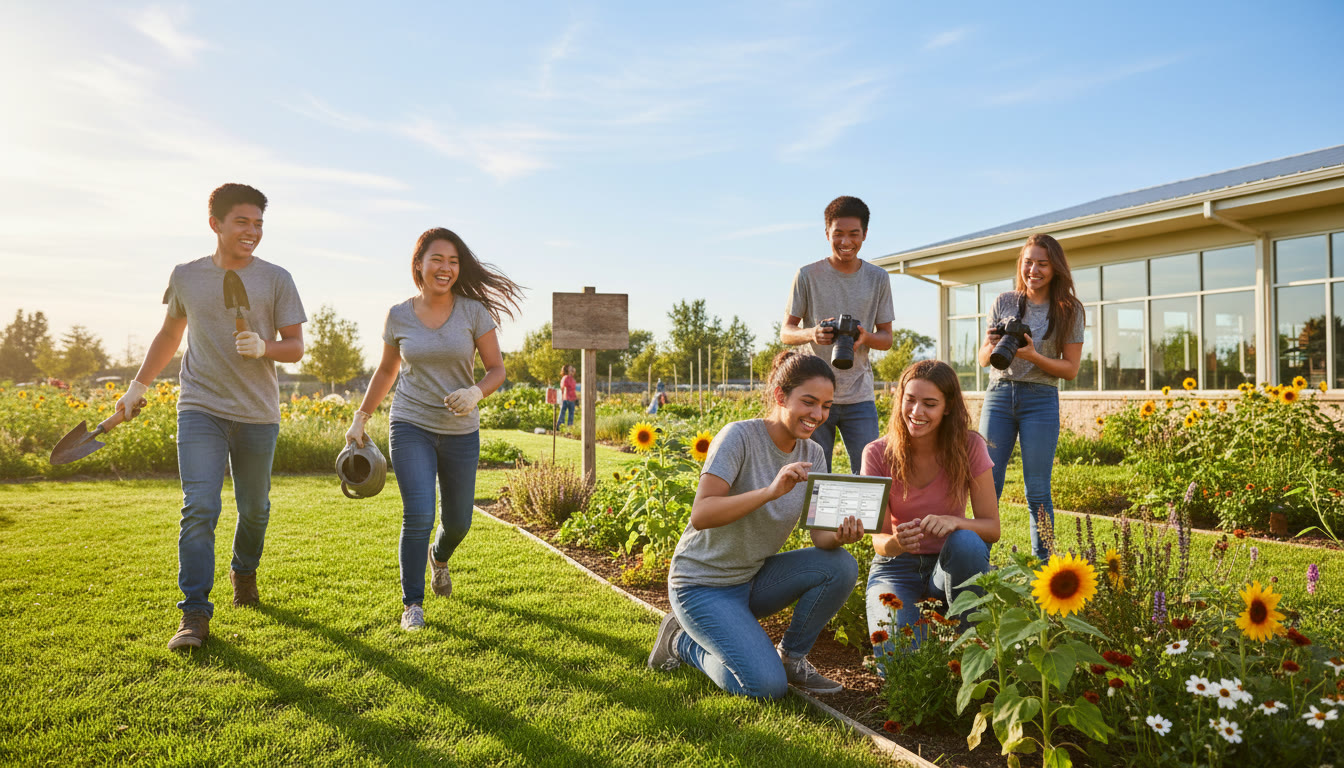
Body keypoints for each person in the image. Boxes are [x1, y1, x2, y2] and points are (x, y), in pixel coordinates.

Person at [115, 183, 307, 650]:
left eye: (259, 223)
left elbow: (296, 347)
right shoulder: (185, 276)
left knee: (255, 508)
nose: (252, 231)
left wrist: (265, 346)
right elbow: (169, 334)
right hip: (199, 405)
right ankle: (194, 613)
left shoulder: (277, 278)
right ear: (215, 224)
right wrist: (138, 386)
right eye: (242, 221)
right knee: (200, 505)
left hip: (257, 412)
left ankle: (243, 569)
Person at [647, 351, 863, 699]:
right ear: (780, 395)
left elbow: (821, 538)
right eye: (808, 402)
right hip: (701, 584)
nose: (817, 415)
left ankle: (791, 658)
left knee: (840, 565)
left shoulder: (814, 454)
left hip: (751, 578)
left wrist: (841, 535)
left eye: (825, 405)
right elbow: (702, 514)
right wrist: (770, 491)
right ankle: (681, 643)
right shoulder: (739, 438)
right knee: (764, 687)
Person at [345, 227, 522, 631]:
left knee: (458, 520)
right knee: (419, 514)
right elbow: (388, 369)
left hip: (461, 429)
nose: (445, 268)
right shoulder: (399, 315)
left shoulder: (473, 312)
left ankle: (438, 558)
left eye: (453, 261)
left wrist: (476, 392)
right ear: (419, 264)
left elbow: (498, 369)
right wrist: (361, 417)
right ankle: (413, 605)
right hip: (411, 424)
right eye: (437, 259)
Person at [861, 360, 999, 662]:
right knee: (901, 666)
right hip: (895, 569)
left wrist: (955, 522)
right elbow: (879, 540)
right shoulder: (877, 453)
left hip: (950, 566)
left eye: (930, 403)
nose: (916, 412)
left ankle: (969, 652)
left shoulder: (970, 446)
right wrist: (897, 541)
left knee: (966, 540)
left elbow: (992, 528)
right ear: (900, 399)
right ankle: (930, 634)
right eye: (909, 400)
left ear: (947, 407)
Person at [976, 234, 1083, 561]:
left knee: (1037, 491)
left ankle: (1045, 571)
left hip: (1040, 400)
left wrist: (1033, 355)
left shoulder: (1069, 310)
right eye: (1028, 262)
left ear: (1055, 268)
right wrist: (992, 345)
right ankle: (974, 563)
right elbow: (982, 360)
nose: (1033, 269)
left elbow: (1070, 369)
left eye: (1042, 263)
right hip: (999, 395)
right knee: (987, 485)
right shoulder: (1004, 301)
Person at [782, 195, 895, 473]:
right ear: (826, 233)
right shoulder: (807, 275)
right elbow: (786, 332)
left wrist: (864, 337)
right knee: (813, 477)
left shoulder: (878, 278)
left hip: (860, 395)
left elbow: (887, 339)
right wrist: (813, 333)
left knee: (871, 475)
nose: (846, 242)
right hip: (813, 397)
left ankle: (863, 520)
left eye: (853, 234)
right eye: (838, 234)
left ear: (865, 234)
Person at [556, 365, 577, 429]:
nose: (572, 369)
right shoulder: (566, 378)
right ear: (567, 370)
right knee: (563, 413)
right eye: (570, 368)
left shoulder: (571, 378)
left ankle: (568, 427)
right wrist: (566, 397)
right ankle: (559, 427)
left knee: (570, 414)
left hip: (571, 399)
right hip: (567, 398)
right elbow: (564, 388)